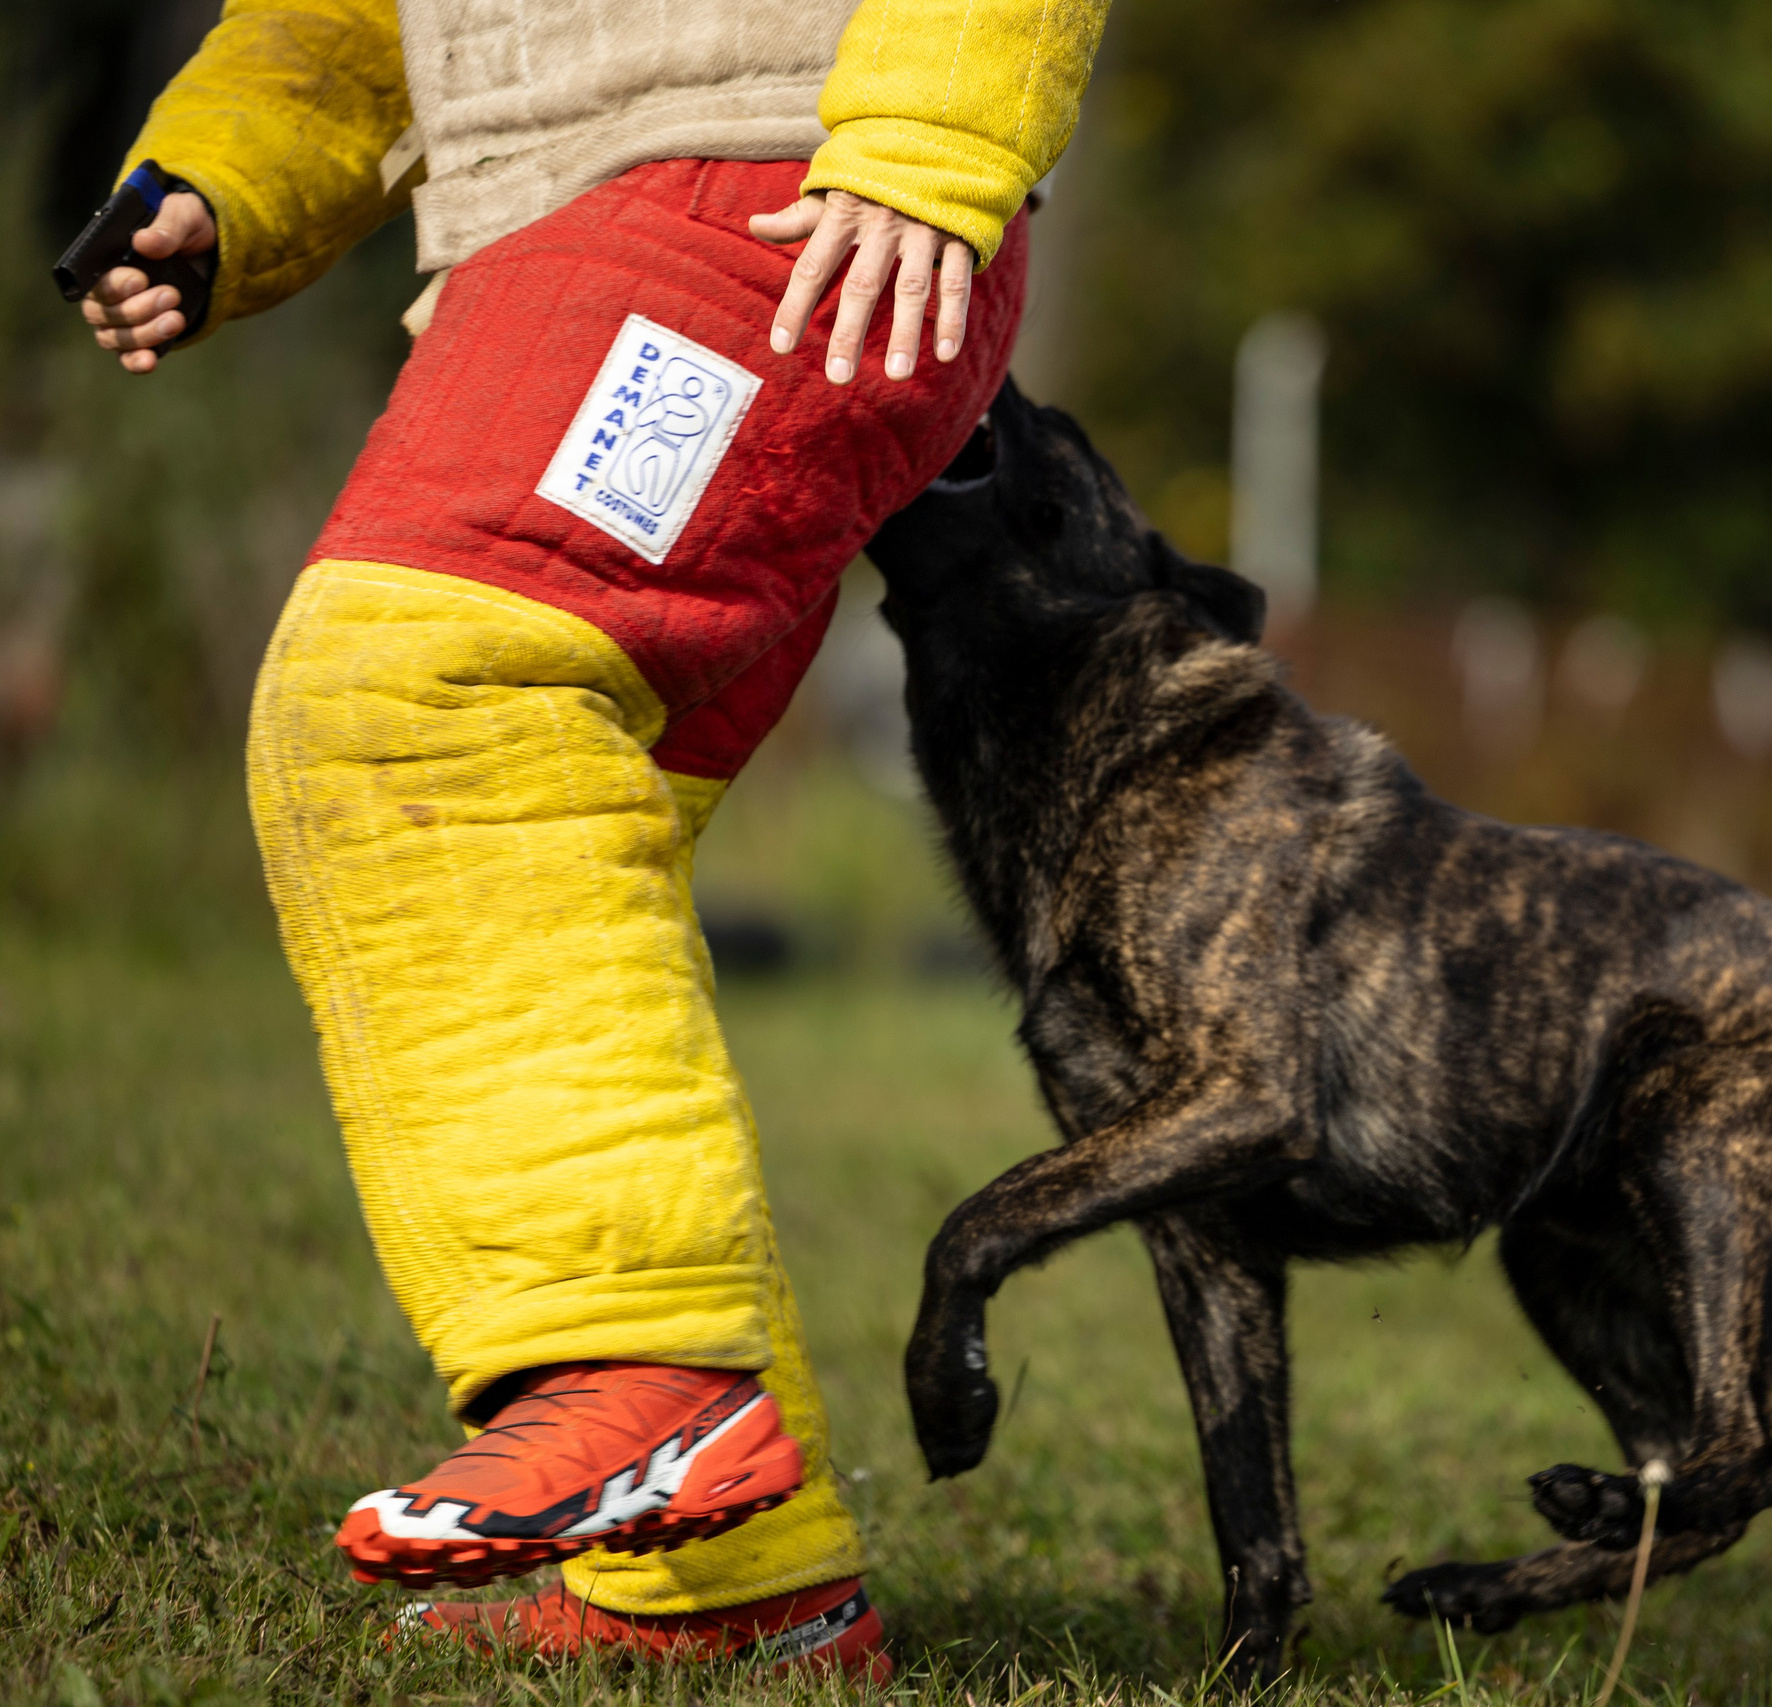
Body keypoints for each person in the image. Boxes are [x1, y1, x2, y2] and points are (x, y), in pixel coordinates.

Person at [75, 0, 1106, 1674]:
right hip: (577, 226)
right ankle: (732, 1594)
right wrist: (218, 181)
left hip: (774, 194)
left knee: (428, 697)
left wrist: (936, 134)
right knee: (556, 828)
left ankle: (638, 1380)